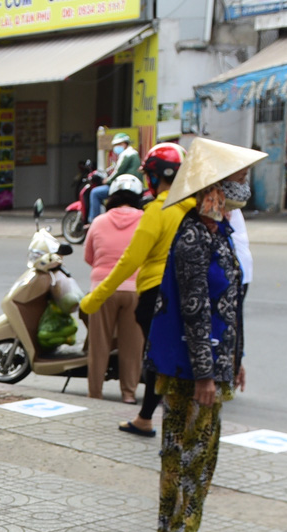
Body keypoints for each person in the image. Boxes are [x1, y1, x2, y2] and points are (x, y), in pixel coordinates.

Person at [147, 140, 264, 532]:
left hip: (215, 362)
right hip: (188, 367)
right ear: (214, 187)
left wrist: (235, 359)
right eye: (237, 179)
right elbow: (195, 309)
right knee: (181, 451)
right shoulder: (192, 237)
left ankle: (190, 530)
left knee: (205, 453)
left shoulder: (222, 234)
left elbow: (230, 303)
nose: (243, 187)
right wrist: (204, 374)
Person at [82, 141, 187, 439]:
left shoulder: (157, 212)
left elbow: (130, 260)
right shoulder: (191, 209)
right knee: (155, 353)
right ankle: (143, 411)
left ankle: (139, 415)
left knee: (154, 357)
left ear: (155, 176)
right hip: (183, 294)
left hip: (153, 294)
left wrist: (94, 299)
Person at [83, 172, 146, 403]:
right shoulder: (145, 220)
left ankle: (95, 393)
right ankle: (128, 394)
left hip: (103, 289)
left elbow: (89, 257)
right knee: (133, 345)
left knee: (99, 344)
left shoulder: (99, 221)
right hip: (136, 289)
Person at [88, 132, 139, 223]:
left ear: (124, 144)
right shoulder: (133, 153)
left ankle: (93, 221)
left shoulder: (126, 155)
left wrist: (106, 181)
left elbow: (118, 172)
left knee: (95, 193)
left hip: (123, 187)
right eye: (115, 145)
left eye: (118, 144)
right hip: (131, 185)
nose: (116, 147)